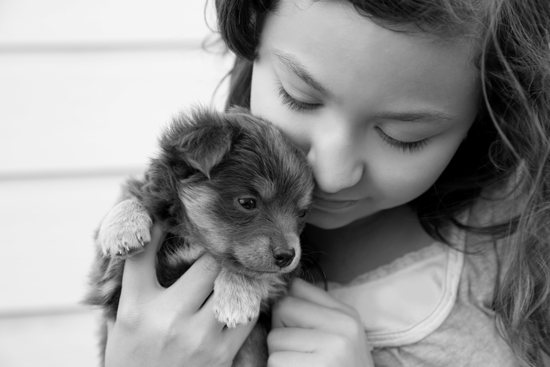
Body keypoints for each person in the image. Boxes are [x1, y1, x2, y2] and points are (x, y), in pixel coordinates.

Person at [103, 0, 550, 366]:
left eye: (403, 137)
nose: (331, 175)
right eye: (299, 97)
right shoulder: (170, 224)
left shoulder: (520, 252)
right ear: (252, 34)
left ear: (489, 115)